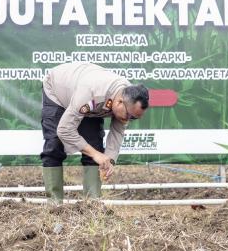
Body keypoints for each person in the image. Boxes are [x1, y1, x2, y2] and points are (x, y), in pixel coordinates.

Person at [41, 62, 149, 202]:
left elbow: (117, 134)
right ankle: (54, 205)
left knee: (94, 144)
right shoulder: (92, 93)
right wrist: (96, 155)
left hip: (88, 100)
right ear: (119, 102)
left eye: (134, 118)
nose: (129, 119)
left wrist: (108, 162)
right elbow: (64, 130)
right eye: (130, 116)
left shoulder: (129, 99)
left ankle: (92, 204)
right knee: (54, 145)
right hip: (57, 90)